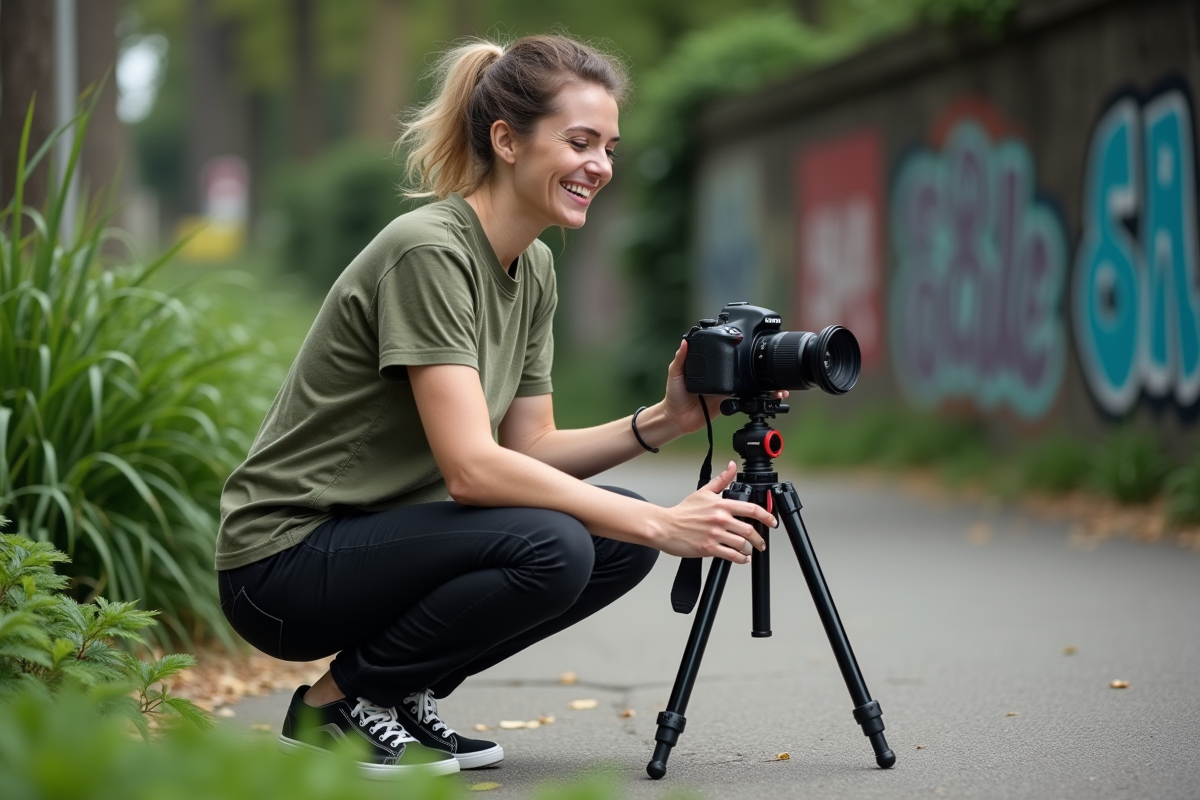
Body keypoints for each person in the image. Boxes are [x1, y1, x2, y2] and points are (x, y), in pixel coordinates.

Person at [215, 33, 778, 779]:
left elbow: (531, 450)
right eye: (580, 142)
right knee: (565, 540)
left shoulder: (533, 264)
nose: (600, 167)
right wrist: (663, 521)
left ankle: (396, 690)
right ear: (507, 140)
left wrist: (663, 423)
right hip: (284, 559)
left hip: (375, 540)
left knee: (614, 539)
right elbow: (475, 473)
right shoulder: (430, 252)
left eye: (609, 147)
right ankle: (336, 707)